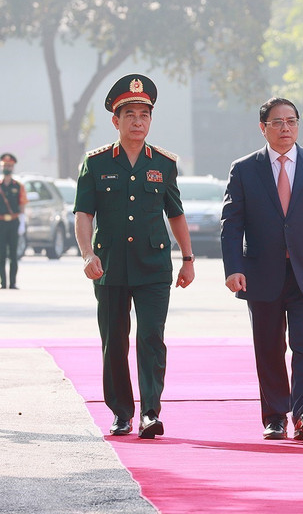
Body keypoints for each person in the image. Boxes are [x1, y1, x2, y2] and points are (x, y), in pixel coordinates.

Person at [74, 74, 195, 439]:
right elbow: (83, 214)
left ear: (150, 119)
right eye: (130, 115)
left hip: (154, 266)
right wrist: (86, 254)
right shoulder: (95, 164)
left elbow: (175, 213)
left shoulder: (164, 163)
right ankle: (122, 413)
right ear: (116, 120)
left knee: (151, 339)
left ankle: (151, 413)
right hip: (109, 266)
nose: (138, 122)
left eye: (144, 115)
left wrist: (188, 259)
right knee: (114, 340)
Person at [220, 97, 303, 441]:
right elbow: (231, 223)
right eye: (277, 123)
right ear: (263, 128)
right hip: (261, 273)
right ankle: (275, 416)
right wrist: (233, 268)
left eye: (291, 121)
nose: (285, 128)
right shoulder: (245, 169)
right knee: (269, 346)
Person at [0, 152, 27, 289]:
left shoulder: (18, 186)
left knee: (13, 254)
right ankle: (3, 283)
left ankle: (13, 282)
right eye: (5, 165)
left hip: (14, 222)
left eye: (10, 166)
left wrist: (22, 222)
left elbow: (22, 204)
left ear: (13, 167)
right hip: (1, 223)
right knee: (1, 254)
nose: (7, 168)